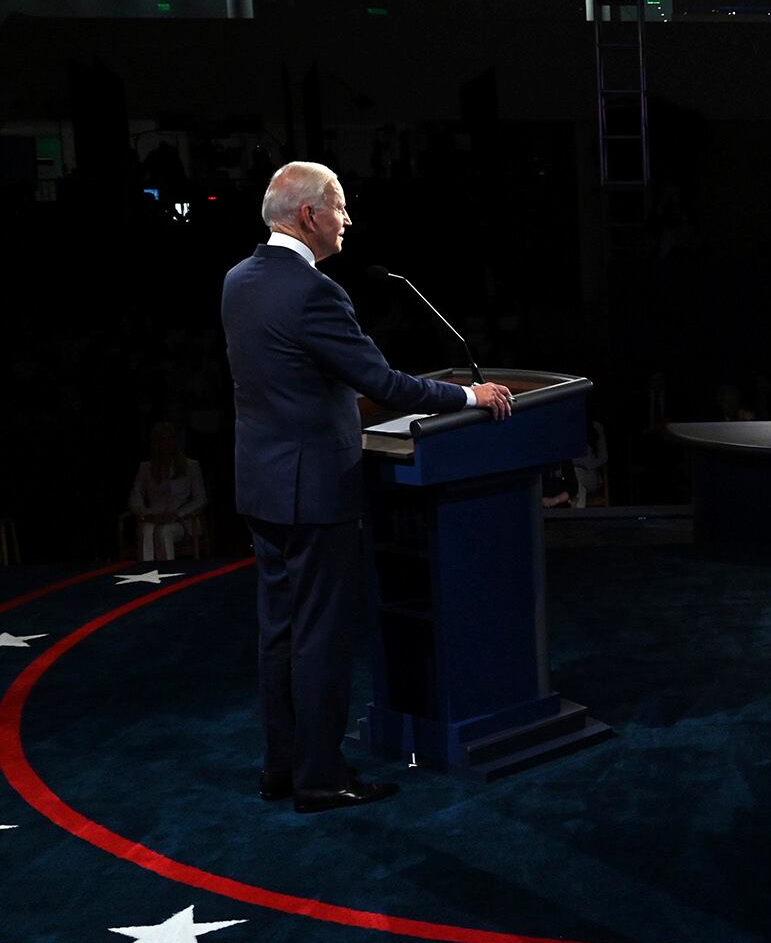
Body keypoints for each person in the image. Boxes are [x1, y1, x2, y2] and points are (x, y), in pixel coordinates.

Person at [221, 162, 515, 813]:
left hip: (262, 485)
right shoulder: (314, 292)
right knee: (319, 636)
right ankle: (322, 777)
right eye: (341, 206)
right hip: (316, 488)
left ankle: (282, 768)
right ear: (308, 216)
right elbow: (384, 384)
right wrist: (469, 392)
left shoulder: (238, 282)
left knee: (278, 633)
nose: (348, 219)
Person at [127, 421, 207, 559]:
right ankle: (147, 572)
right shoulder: (146, 468)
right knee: (146, 530)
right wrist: (145, 514)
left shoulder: (190, 466)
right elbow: (136, 496)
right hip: (154, 516)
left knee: (164, 531)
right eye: (161, 440)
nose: (165, 444)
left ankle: (167, 572)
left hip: (181, 521)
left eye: (169, 438)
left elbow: (200, 499)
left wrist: (177, 514)